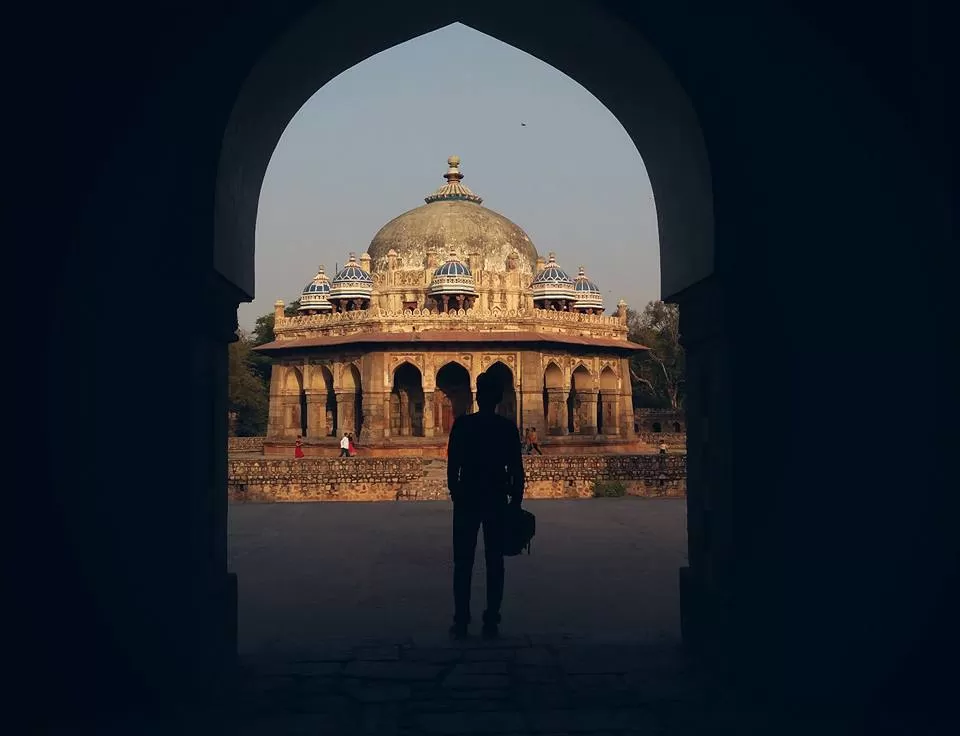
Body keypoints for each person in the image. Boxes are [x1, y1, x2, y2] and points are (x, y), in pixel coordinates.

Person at [446, 371, 524, 640]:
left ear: (476, 396)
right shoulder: (506, 428)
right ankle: (491, 619)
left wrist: (456, 493)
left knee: (463, 563)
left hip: (467, 497)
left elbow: (452, 465)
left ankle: (461, 620)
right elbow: (517, 470)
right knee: (495, 562)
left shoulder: (462, 425)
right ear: (500, 396)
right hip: (496, 498)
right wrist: (516, 502)